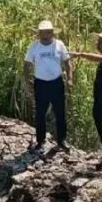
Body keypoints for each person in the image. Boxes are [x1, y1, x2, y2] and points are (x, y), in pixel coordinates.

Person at [70, 28, 102, 168]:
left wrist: (81, 54)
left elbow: (101, 58)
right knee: (101, 128)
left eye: (101, 42)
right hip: (100, 101)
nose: (98, 45)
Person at [23, 20, 72, 153]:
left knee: (60, 113)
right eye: (42, 32)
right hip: (41, 84)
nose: (45, 34)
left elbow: (67, 63)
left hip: (56, 83)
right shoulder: (34, 46)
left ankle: (61, 140)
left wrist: (69, 79)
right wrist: (27, 82)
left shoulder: (59, 45)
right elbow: (26, 65)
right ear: (39, 33)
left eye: (48, 32)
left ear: (51, 32)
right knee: (40, 113)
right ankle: (40, 140)